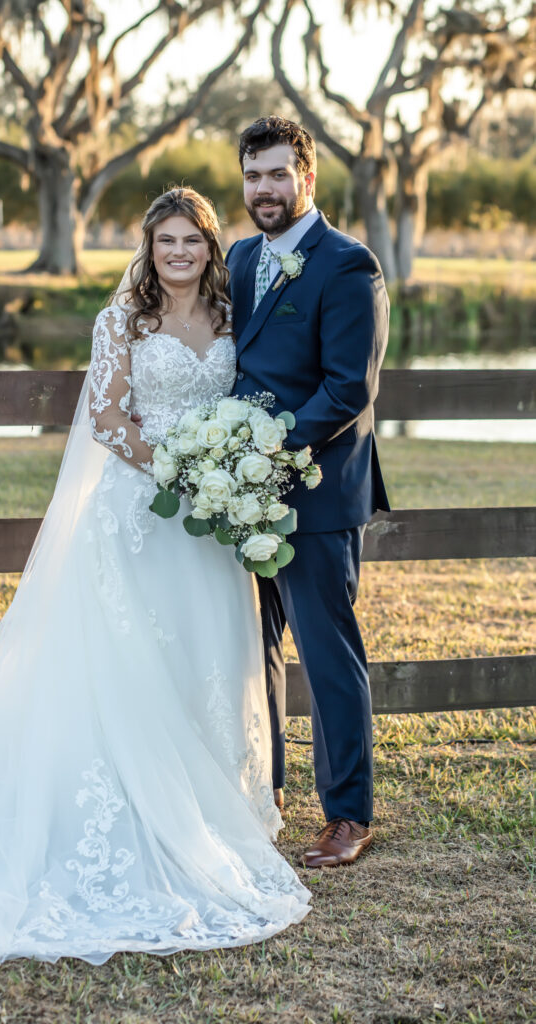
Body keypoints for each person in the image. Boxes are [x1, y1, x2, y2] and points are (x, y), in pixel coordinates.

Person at [0, 188, 309, 1000]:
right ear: (150, 246)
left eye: (191, 241)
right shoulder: (121, 320)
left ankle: (211, 817)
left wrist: (224, 470)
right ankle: (135, 817)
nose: (178, 254)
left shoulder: (236, 317)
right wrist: (180, 466)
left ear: (210, 247)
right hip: (140, 513)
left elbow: (247, 403)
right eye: (165, 241)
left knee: (203, 655)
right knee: (128, 665)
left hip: (208, 526)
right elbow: (105, 420)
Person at [226, 116, 390, 868]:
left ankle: (346, 815)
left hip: (317, 494)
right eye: (253, 175)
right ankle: (267, 791)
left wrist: (268, 449)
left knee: (327, 658)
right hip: (237, 500)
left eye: (277, 174)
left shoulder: (347, 264)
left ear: (307, 178)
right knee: (250, 650)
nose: (264, 189)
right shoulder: (235, 257)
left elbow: (347, 388)